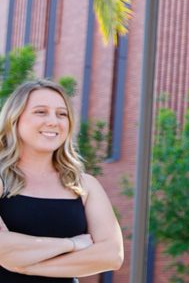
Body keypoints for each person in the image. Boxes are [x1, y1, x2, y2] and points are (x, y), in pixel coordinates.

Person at [0, 81, 123, 282]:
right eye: (41, 112)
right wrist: (71, 244)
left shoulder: (85, 185)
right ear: (15, 119)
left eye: (62, 114)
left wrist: (26, 267)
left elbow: (112, 255)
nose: (53, 121)